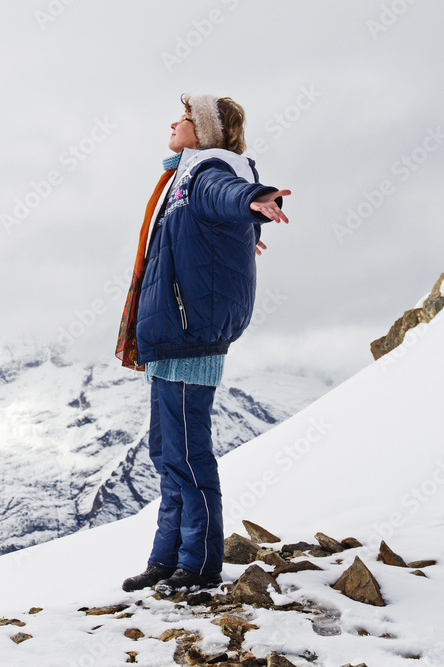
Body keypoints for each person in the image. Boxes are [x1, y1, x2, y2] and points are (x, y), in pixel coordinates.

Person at [116, 94, 290, 594]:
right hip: (174, 332)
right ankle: (166, 558)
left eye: (187, 118)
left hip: (190, 334)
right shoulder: (182, 180)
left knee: (189, 454)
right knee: (166, 451)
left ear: (207, 133)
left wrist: (252, 200)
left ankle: (200, 564)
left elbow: (225, 192)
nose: (174, 122)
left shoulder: (207, 171)